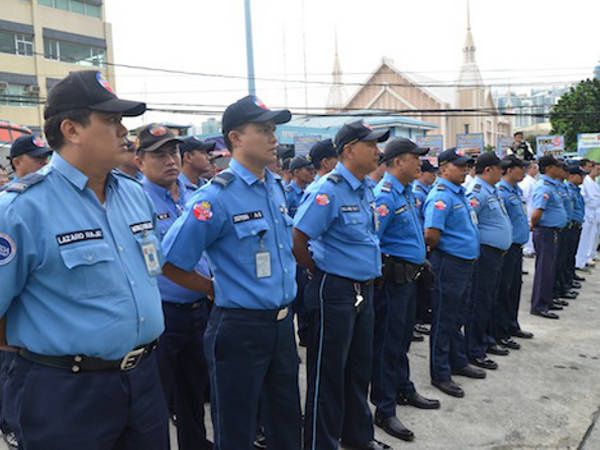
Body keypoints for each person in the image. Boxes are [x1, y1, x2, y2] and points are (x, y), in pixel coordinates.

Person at [0, 70, 168, 449]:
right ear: (71, 130)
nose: (123, 130)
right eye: (110, 120)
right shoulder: (21, 209)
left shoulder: (134, 195)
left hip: (144, 380)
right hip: (66, 392)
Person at [161, 95, 302, 450]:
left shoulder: (274, 187)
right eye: (264, 130)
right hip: (240, 327)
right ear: (236, 138)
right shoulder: (215, 198)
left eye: (274, 130)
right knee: (237, 429)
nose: (273, 138)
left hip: (282, 324)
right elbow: (171, 261)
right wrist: (212, 288)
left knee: (286, 423)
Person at [293, 120, 392, 450]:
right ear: (349, 150)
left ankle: (358, 437)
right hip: (335, 289)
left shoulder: (365, 188)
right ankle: (322, 442)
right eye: (371, 145)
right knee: (329, 372)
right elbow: (298, 238)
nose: (378, 151)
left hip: (364, 288)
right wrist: (319, 271)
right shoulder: (328, 190)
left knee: (359, 367)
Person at [136, 124, 213, 450]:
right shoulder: (137, 200)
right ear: (140, 161)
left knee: (193, 390)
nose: (170, 160)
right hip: (163, 314)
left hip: (199, 308)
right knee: (157, 397)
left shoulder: (195, 194)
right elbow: (156, 261)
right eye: (159, 155)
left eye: (173, 153)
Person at [370, 138, 440, 443]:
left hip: (410, 279)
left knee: (401, 339)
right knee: (388, 343)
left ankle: (403, 388)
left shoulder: (406, 192)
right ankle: (385, 408)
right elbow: (373, 241)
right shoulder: (384, 196)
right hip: (392, 282)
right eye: (415, 158)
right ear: (398, 161)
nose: (420, 164)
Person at [423, 148, 485, 399]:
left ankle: (457, 360)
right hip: (449, 264)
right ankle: (440, 372)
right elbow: (431, 235)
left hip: (464, 263)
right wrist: (449, 252)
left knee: (459, 315)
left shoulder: (459, 193)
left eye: (466, 166)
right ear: (443, 168)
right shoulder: (441, 196)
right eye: (459, 166)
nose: (465, 170)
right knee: (444, 318)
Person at [465, 152, 513, 370]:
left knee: (490, 299)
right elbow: (470, 221)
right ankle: (474, 349)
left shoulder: (491, 190)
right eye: (499, 168)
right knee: (480, 301)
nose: (502, 171)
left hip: (495, 254)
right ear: (488, 170)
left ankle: (485, 340)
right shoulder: (477, 191)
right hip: (484, 254)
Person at [495, 155, 534, 348]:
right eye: (521, 168)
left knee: (515, 287)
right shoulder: (501, 192)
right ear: (509, 170)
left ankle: (512, 324)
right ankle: (501, 331)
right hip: (507, 248)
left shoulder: (516, 190)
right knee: (504, 290)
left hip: (517, 247)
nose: (524, 171)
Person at [530, 155, 568, 319]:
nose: (560, 169)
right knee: (544, 269)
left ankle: (547, 299)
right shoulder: (544, 187)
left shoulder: (552, 185)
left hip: (552, 232)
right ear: (548, 168)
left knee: (550, 268)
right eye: (556, 166)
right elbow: (537, 213)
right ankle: (539, 305)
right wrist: (535, 225)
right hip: (546, 231)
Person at [412, 159, 437, 335]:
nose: (434, 176)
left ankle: (420, 317)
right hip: (420, 243)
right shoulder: (417, 192)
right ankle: (417, 320)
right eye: (431, 173)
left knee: (423, 286)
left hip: (420, 245)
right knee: (419, 286)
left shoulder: (424, 191)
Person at [553, 162, 578, 303]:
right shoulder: (551, 187)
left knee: (564, 259)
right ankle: (554, 293)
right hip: (556, 230)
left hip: (567, 226)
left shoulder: (561, 187)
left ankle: (562, 287)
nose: (566, 173)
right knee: (556, 263)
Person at [563, 164, 586, 289]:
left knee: (572, 254)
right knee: (567, 255)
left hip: (576, 225)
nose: (582, 178)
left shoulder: (576, 190)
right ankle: (566, 280)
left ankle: (570, 277)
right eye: (580, 175)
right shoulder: (568, 190)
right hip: (570, 226)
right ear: (571, 176)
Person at [576, 161, 600, 269]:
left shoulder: (595, 182)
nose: (598, 172)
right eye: (597, 169)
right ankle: (580, 261)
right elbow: (584, 197)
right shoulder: (585, 181)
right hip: (587, 210)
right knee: (584, 237)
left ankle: (587, 257)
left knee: (593, 235)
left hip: (595, 211)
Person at [519, 162, 539, 257]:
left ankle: (531, 248)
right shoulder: (527, 182)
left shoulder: (533, 181)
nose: (536, 170)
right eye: (534, 168)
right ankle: (527, 249)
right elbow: (524, 196)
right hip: (529, 208)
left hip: (533, 207)